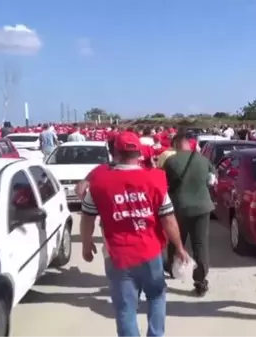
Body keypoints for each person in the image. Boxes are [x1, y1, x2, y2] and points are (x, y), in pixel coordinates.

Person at [80, 131, 189, 337]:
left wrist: (86, 243)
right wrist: (180, 247)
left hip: (118, 256)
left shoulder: (100, 184)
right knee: (156, 297)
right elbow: (168, 218)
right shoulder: (155, 180)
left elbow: (87, 217)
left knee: (125, 309)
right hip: (150, 253)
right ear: (138, 153)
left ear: (115, 154)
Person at [163, 128, 217, 295]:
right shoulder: (203, 159)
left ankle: (173, 269)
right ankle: (200, 281)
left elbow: (163, 184)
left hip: (179, 208)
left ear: (176, 145)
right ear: (188, 143)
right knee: (200, 244)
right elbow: (212, 180)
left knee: (176, 241)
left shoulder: (170, 162)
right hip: (202, 207)